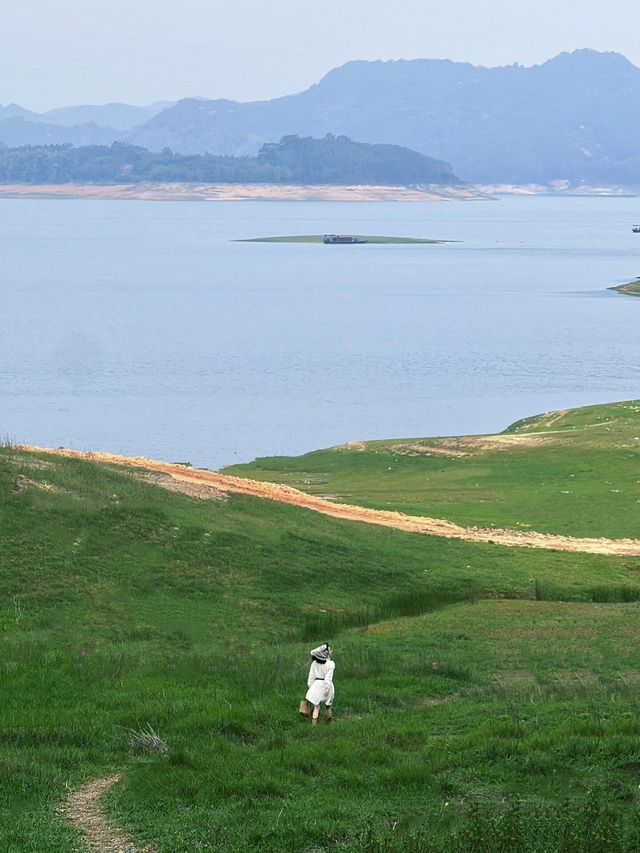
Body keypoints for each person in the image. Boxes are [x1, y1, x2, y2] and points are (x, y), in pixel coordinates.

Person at [304, 642, 335, 726]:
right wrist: (326, 688)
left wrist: (311, 687)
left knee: (316, 706)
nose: (331, 651)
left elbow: (311, 677)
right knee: (328, 705)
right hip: (326, 686)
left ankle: (314, 724)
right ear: (326, 652)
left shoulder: (314, 663)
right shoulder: (331, 664)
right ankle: (328, 722)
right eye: (329, 650)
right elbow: (328, 678)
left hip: (316, 685)